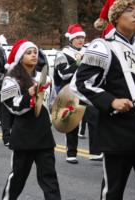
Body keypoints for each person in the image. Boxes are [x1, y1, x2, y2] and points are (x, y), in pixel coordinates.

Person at [70, 0, 135, 199]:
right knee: (113, 192)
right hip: (118, 132)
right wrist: (111, 102)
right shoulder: (103, 46)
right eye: (130, 10)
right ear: (116, 16)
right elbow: (80, 84)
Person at [1, 40, 61, 200]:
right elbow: (12, 107)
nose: (34, 55)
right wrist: (29, 95)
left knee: (50, 180)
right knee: (17, 180)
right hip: (23, 137)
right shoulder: (11, 79)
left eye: (35, 52)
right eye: (28, 52)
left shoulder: (46, 78)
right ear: (20, 57)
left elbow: (53, 102)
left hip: (44, 136)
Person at [53, 23, 86, 164]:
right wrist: (78, 63)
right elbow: (63, 74)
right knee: (72, 123)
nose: (80, 40)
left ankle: (97, 151)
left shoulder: (89, 51)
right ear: (71, 39)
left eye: (82, 37)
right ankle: (71, 153)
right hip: (69, 91)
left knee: (95, 120)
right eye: (77, 37)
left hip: (86, 90)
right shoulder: (63, 54)